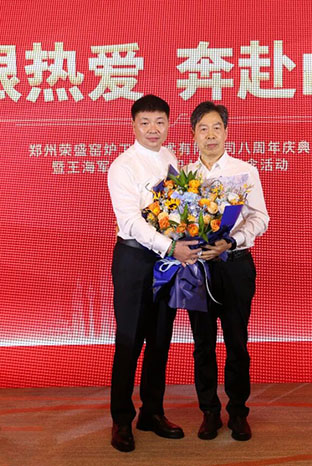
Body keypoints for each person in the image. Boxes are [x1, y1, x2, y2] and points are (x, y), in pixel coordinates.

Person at [107, 94, 199, 452]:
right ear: (133, 125)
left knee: (160, 338)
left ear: (168, 124)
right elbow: (131, 222)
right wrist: (170, 247)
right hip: (134, 260)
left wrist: (187, 239)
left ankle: (152, 412)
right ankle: (121, 419)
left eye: (160, 122)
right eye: (145, 122)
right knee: (129, 340)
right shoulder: (123, 166)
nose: (153, 129)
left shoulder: (170, 158)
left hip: (167, 262)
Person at [185, 101, 269, 441]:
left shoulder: (245, 171)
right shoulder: (182, 177)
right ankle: (209, 412)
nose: (210, 135)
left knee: (237, 342)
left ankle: (237, 412)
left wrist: (231, 241)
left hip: (235, 266)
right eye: (203, 129)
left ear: (226, 132)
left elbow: (260, 217)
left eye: (216, 128)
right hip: (197, 271)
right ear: (193, 135)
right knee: (202, 345)